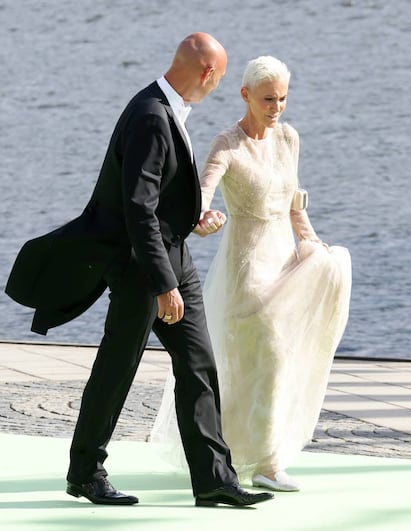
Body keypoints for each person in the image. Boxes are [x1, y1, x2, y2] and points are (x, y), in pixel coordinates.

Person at [4, 35, 274, 508]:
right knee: (118, 366)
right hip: (140, 266)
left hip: (173, 255)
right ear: (209, 73)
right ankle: (86, 473)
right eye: (222, 77)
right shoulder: (151, 116)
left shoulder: (167, 110)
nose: (219, 85)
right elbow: (137, 210)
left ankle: (213, 479)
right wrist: (162, 284)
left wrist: (193, 218)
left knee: (198, 364)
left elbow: (158, 200)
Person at [151, 56, 352, 492]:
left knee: (275, 358)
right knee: (263, 354)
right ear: (245, 95)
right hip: (247, 265)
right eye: (267, 99)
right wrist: (203, 218)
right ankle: (258, 460)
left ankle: (259, 455)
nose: (276, 106)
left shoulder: (289, 138)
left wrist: (310, 241)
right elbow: (200, 194)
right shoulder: (227, 144)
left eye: (282, 98)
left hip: (284, 257)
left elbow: (293, 202)